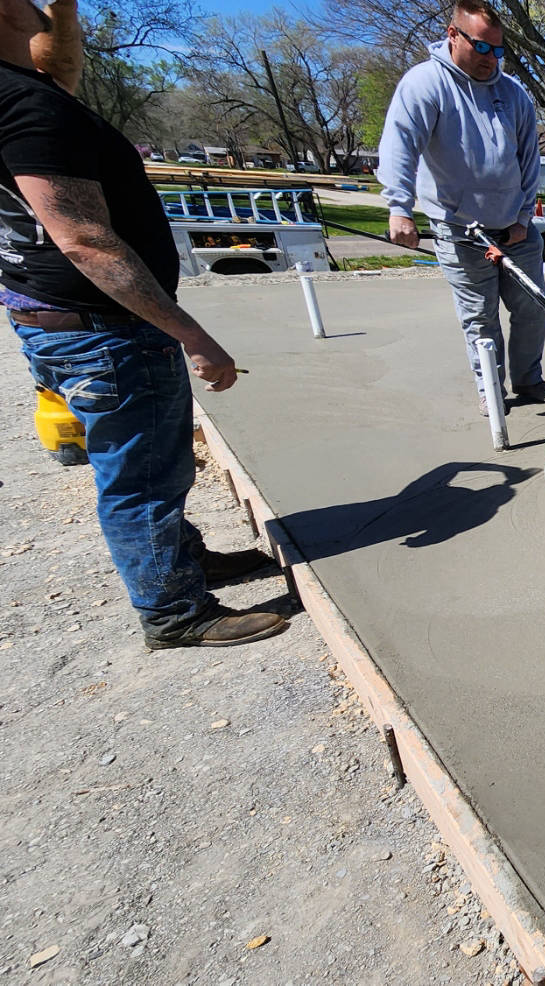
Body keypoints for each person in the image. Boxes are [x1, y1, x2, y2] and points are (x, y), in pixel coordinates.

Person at [1, 0, 288, 649]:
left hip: (61, 319)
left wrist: (63, 8)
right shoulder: (27, 106)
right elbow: (85, 241)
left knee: (151, 462)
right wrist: (195, 335)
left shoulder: (24, 90)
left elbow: (58, 63)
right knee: (141, 477)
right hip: (104, 329)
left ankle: (183, 562)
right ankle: (174, 612)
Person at [378, 0, 545, 415]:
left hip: (515, 228)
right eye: (482, 47)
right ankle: (491, 389)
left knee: (533, 308)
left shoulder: (513, 94)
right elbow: (400, 146)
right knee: (480, 316)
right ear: (453, 35)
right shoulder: (426, 84)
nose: (491, 58)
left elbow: (529, 161)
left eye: (498, 50)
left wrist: (522, 218)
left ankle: (528, 379)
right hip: (459, 228)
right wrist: (399, 208)